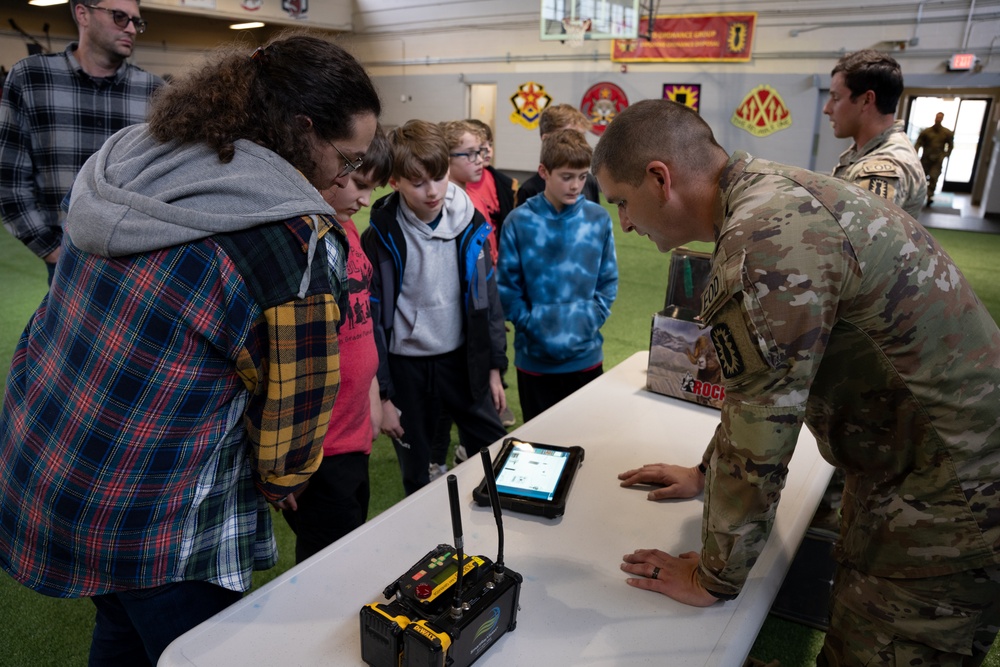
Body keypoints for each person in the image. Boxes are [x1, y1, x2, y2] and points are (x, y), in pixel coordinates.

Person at [0, 34, 381, 665]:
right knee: (194, 650)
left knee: (121, 632)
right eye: (345, 159)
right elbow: (287, 453)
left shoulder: (130, 155)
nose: (345, 179)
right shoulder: (297, 244)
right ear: (303, 129)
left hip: (43, 456)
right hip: (155, 517)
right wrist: (281, 478)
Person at [593, 99, 1000, 665]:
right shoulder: (774, 194)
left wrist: (712, 576)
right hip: (950, 470)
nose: (626, 223)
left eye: (622, 202)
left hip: (948, 500)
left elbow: (762, 430)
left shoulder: (764, 243)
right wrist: (705, 472)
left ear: (660, 179)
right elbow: (761, 388)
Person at [362, 119, 508, 496]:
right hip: (406, 368)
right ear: (395, 182)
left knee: (496, 447)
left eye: (439, 177)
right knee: (417, 470)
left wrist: (494, 368)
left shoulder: (471, 223)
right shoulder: (379, 235)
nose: (432, 191)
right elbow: (373, 322)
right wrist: (383, 395)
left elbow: (488, 302)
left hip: (463, 360)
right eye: (418, 182)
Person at [281, 126, 392, 564]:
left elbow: (360, 325)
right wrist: (290, 457)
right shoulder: (300, 244)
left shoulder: (345, 231)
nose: (365, 199)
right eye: (359, 184)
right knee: (328, 562)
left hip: (353, 431)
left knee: (349, 543)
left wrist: (373, 396)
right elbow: (287, 360)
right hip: (319, 446)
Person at [0, 0, 163, 284]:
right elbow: (9, 179)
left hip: (138, 259)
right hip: (67, 257)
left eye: (136, 22)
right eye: (119, 17)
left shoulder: (155, 91)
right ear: (83, 14)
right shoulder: (31, 79)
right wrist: (51, 249)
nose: (132, 29)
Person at [498, 129, 618, 421]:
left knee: (586, 441)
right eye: (566, 176)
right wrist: (532, 323)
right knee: (540, 448)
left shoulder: (598, 219)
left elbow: (608, 280)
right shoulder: (519, 221)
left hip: (586, 356)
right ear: (543, 172)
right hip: (535, 360)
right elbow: (507, 287)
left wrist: (589, 321)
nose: (576, 185)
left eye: (582, 176)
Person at [824, 49, 926, 218]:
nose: (826, 109)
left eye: (836, 98)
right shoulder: (866, 151)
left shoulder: (880, 170)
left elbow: (857, 239)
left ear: (866, 100)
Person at [515, 104, 601, 207]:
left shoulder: (589, 182)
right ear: (546, 139)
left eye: (580, 137)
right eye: (568, 136)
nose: (577, 143)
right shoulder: (529, 190)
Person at [915, 111, 955, 205]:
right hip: (925, 158)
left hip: (937, 159)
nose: (938, 119)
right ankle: (919, 195)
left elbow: (950, 146)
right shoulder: (927, 132)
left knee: (934, 177)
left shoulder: (946, 132)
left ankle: (930, 195)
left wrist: (945, 155)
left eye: (940, 117)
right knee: (922, 178)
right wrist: (915, 153)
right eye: (937, 117)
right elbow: (918, 143)